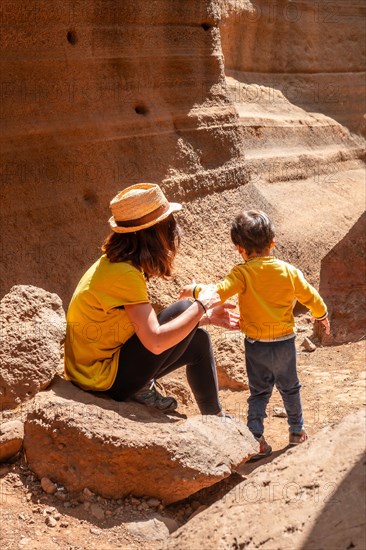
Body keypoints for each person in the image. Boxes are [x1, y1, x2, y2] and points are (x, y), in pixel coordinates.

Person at [64, 183, 239, 415]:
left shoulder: (115, 264)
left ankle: (215, 417)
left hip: (94, 370)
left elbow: (136, 327)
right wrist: (200, 305)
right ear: (154, 232)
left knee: (197, 340)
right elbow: (154, 341)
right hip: (101, 380)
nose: (174, 230)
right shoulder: (124, 274)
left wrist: (204, 317)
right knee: (186, 307)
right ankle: (140, 390)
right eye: (168, 224)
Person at [180, 209, 330, 456]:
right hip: (284, 343)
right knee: (290, 388)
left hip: (256, 346)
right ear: (272, 242)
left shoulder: (241, 273)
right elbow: (310, 296)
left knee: (259, 392)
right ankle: (296, 432)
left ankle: (255, 438)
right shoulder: (289, 271)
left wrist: (195, 290)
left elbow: (219, 292)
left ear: (239, 248)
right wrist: (321, 315)